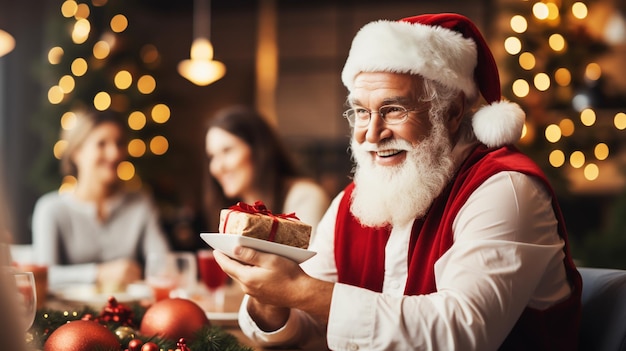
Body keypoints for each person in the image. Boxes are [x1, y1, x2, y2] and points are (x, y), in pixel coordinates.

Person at [214, 13, 582, 350]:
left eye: (393, 109)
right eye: (361, 112)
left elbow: (464, 332)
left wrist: (298, 290)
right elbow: (306, 326)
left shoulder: (505, 189)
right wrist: (267, 296)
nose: (371, 134)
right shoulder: (353, 200)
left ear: (451, 113)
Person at [31, 110, 171, 291]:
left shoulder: (140, 203)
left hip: (128, 313)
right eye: (101, 144)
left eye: (119, 143)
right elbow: (45, 275)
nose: (114, 154)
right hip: (67, 316)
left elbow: (164, 265)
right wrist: (99, 273)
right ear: (77, 153)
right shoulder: (50, 208)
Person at [204, 105, 330, 235]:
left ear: (259, 150)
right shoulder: (231, 213)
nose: (216, 167)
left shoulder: (305, 197)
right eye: (212, 157)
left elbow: (309, 254)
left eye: (227, 151)